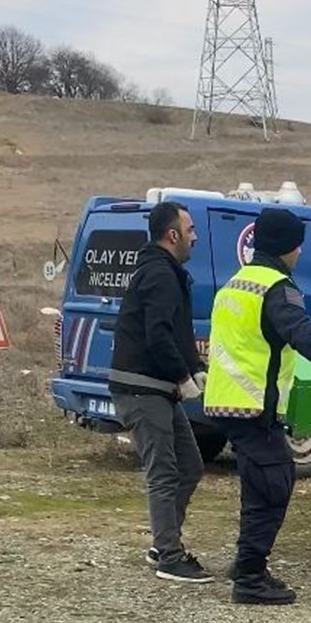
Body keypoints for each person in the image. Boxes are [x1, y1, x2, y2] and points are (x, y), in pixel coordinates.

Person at [203, 207, 311, 606]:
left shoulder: (235, 283)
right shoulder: (277, 288)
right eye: (297, 244)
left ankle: (247, 564)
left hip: (223, 401)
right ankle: (249, 577)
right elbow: (304, 335)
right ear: (288, 247)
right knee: (274, 484)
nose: (300, 251)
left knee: (257, 485)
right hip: (253, 406)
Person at [108, 201, 212, 583]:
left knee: (190, 466)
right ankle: (169, 555)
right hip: (142, 389)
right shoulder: (159, 274)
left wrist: (195, 370)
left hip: (157, 388)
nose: (195, 237)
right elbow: (158, 334)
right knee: (165, 471)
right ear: (173, 235)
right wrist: (181, 376)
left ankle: (163, 542)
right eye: (190, 230)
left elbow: (177, 331)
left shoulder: (168, 273)